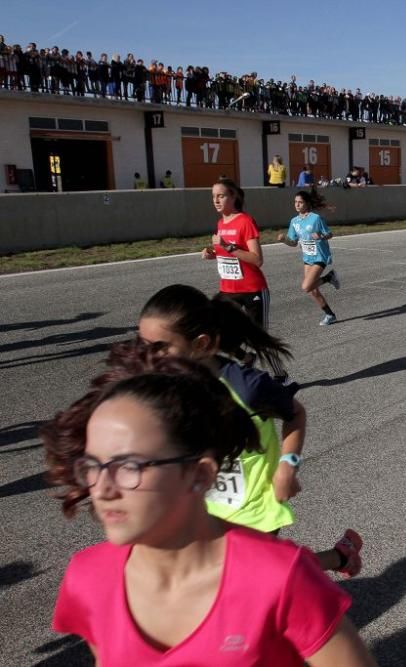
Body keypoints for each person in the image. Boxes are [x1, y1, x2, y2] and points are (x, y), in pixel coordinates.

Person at [41, 354, 376, 666]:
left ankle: (341, 556)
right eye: (93, 466)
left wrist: (286, 465)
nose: (102, 488)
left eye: (129, 466)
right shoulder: (88, 579)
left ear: (199, 474)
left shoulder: (280, 577)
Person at [132, 284, 362, 573]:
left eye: (160, 348)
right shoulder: (161, 387)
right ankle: (340, 556)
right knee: (228, 577)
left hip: (252, 505)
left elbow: (296, 413)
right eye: (142, 345)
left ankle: (338, 558)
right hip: (199, 507)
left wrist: (287, 466)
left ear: (201, 345)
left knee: (255, 578)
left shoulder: (246, 387)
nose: (147, 357)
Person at [201, 179, 271, 330]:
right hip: (228, 290)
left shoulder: (246, 221)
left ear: (233, 197)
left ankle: (253, 354)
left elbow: (257, 259)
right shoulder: (221, 223)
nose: (216, 200)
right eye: (213, 196)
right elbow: (227, 254)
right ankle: (245, 356)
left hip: (252, 289)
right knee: (218, 333)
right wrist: (212, 253)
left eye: (221, 196)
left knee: (259, 341)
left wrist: (227, 246)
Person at [277, 189, 341, 325]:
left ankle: (329, 277)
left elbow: (329, 234)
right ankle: (330, 315)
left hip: (320, 256)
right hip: (307, 258)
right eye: (295, 202)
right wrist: (284, 240)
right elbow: (293, 243)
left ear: (307, 203)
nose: (297, 205)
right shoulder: (294, 221)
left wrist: (321, 236)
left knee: (306, 286)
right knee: (312, 291)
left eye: (300, 202)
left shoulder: (316, 218)